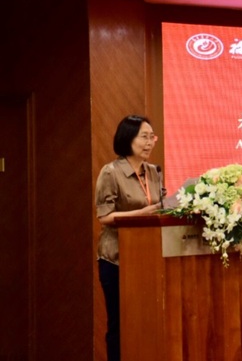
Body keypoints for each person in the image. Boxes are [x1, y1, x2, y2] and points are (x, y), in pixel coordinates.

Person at [95, 115, 165, 361]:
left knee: (146, 321)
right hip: (117, 259)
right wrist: (144, 213)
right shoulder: (111, 172)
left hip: (149, 258)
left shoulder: (154, 172)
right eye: (144, 137)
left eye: (152, 137)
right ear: (128, 138)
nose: (149, 142)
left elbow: (160, 207)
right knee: (120, 324)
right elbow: (104, 216)